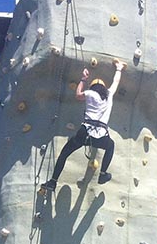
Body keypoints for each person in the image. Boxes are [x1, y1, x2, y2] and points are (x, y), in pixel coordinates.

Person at [42, 60, 126, 191]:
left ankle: (53, 182)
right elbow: (116, 82)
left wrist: (83, 79)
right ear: (103, 88)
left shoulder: (90, 93)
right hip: (101, 134)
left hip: (85, 131)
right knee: (110, 146)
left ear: (93, 87)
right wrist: (119, 68)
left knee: (64, 154)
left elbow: (78, 95)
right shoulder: (108, 95)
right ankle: (103, 174)